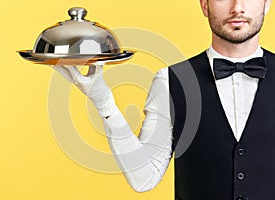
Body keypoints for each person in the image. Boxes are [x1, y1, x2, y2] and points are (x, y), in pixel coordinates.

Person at [54, 0, 275, 199]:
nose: (237, 7)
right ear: (204, 5)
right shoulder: (170, 80)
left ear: (266, 4)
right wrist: (103, 102)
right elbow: (144, 177)